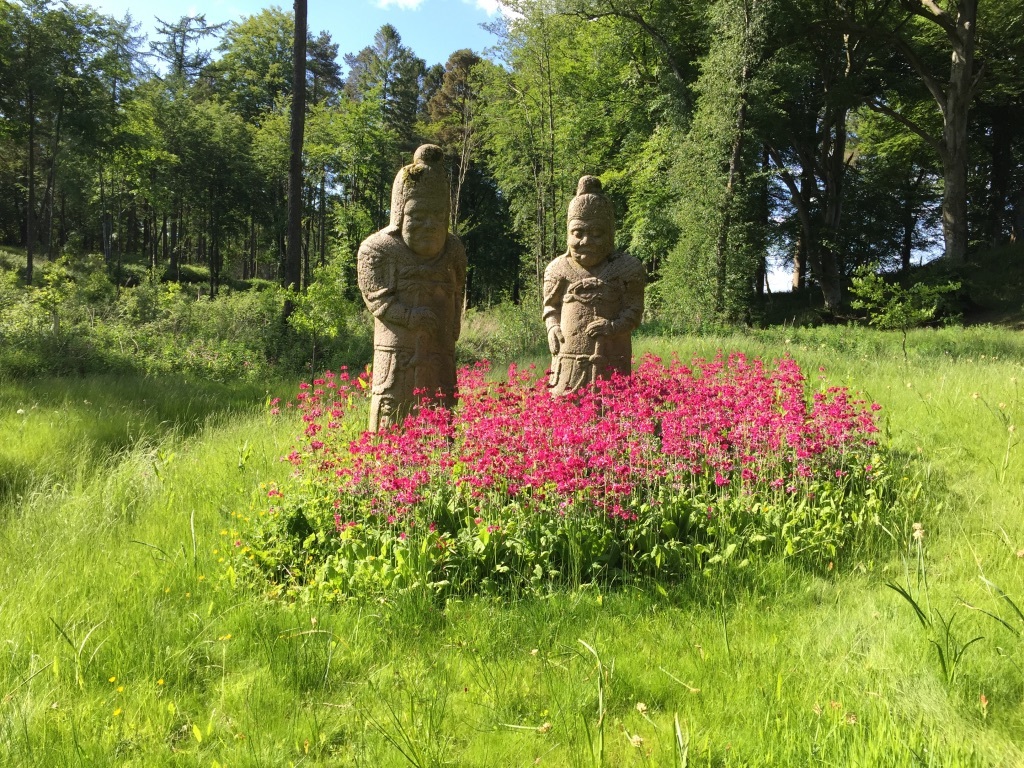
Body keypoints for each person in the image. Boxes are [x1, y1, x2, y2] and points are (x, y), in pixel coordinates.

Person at [357, 144, 467, 431]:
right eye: (418, 216)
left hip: (440, 351)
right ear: (400, 214)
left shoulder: (453, 250)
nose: (430, 225)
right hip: (397, 355)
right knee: (393, 412)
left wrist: (452, 326)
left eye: (438, 217)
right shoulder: (378, 249)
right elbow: (377, 299)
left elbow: (458, 291)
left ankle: (438, 467)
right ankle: (387, 470)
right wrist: (409, 316)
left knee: (440, 412)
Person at [543, 175, 645, 396]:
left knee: (612, 407)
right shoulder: (557, 269)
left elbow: (634, 311)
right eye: (578, 233)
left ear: (610, 234)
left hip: (611, 358)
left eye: (597, 234)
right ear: (568, 233)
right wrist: (552, 327)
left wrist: (612, 327)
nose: (586, 241)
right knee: (565, 408)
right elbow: (550, 308)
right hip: (567, 362)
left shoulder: (626, 268)